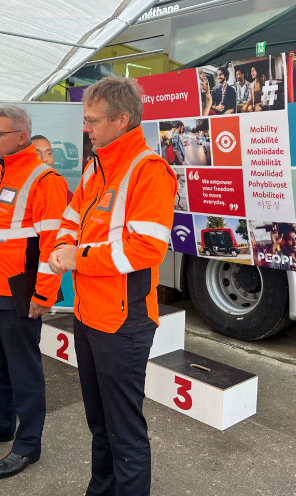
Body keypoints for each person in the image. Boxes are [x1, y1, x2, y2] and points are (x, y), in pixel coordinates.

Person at [49, 75, 177, 496]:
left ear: (122, 120)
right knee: (100, 424)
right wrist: (63, 246)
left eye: (93, 120)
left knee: (124, 432)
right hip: (90, 314)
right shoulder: (97, 165)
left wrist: (78, 257)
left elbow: (146, 249)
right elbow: (71, 218)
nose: (86, 128)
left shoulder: (148, 170)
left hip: (124, 323)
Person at [0, 105, 67, 479]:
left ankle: (28, 444)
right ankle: (0, 424)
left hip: (19, 290)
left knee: (24, 370)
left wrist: (44, 295)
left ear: (21, 137)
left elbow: (54, 244)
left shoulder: (45, 180)